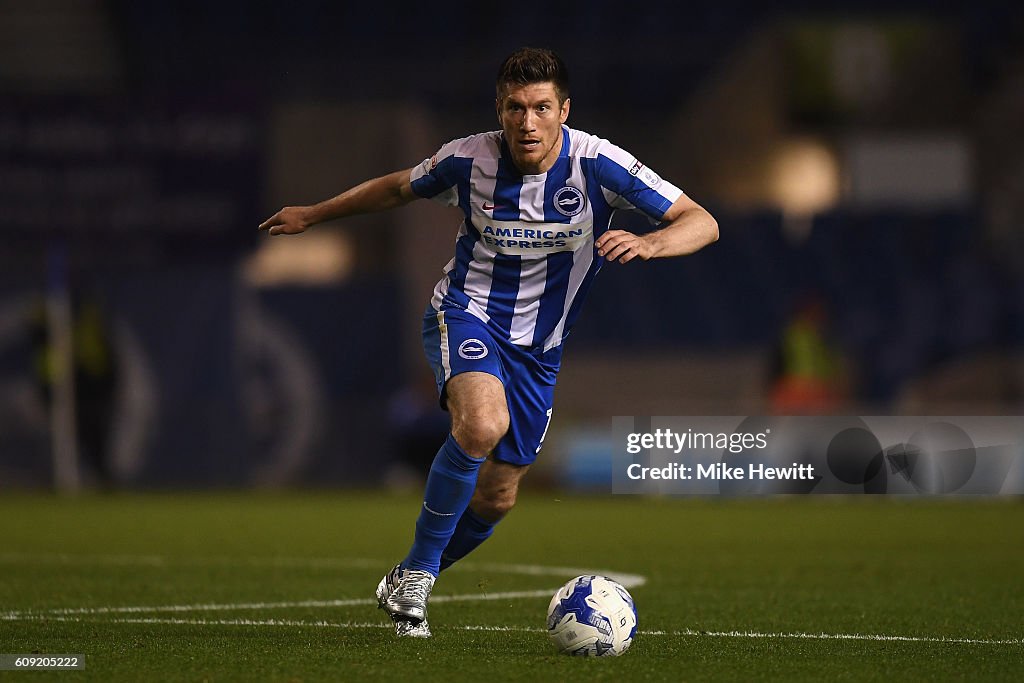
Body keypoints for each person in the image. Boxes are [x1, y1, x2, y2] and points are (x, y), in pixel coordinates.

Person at [259, 47, 718, 638]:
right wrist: (315, 214)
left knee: (499, 496)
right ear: (499, 111)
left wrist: (654, 243)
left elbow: (699, 219)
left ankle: (411, 572)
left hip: (541, 349)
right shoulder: (468, 160)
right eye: (515, 108)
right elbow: (398, 188)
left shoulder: (600, 165)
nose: (528, 122)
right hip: (467, 314)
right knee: (481, 425)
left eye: (541, 108)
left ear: (564, 111)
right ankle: (417, 587)